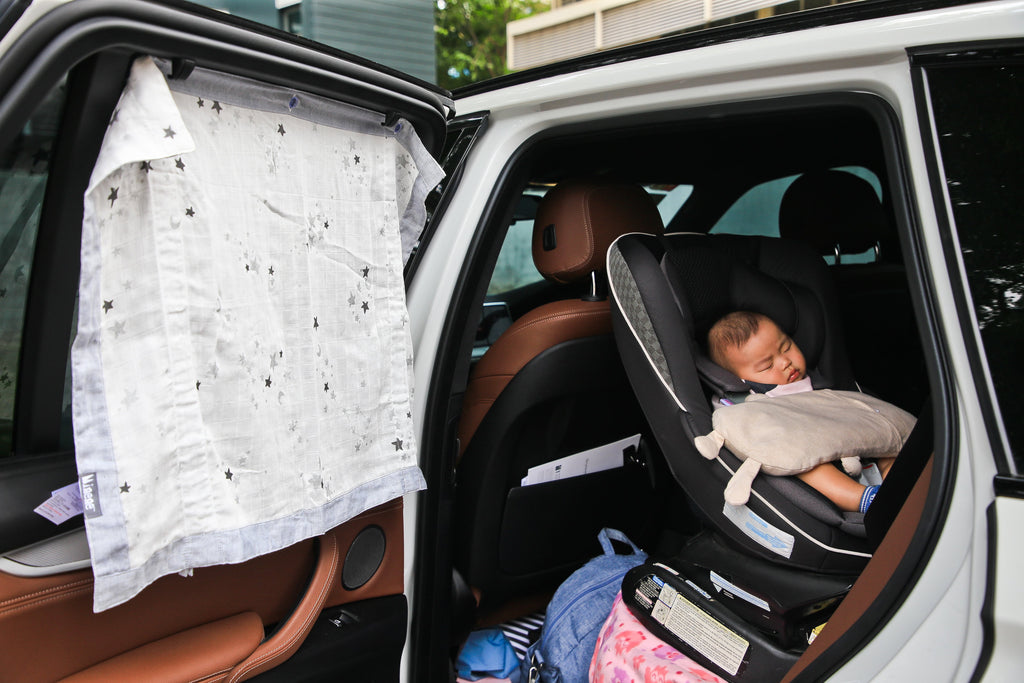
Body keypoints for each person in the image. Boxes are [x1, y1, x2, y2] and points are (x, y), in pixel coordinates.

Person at [707, 311, 893, 513]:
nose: (785, 362)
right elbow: (736, 425)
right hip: (808, 453)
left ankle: (894, 477)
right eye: (767, 365)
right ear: (738, 380)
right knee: (808, 465)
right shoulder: (746, 404)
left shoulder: (817, 381)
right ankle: (861, 498)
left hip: (851, 440)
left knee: (885, 440)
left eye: (786, 347)